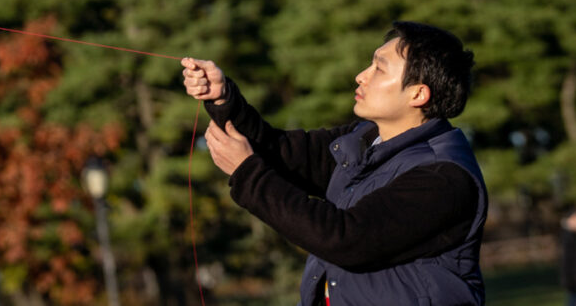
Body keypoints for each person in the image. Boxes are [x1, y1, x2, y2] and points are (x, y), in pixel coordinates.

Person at [180, 21, 487, 306]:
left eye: (379, 69)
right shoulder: (361, 141)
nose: (361, 75)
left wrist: (248, 174)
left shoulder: (443, 176)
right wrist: (224, 99)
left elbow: (346, 239)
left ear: (418, 94)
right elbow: (281, 152)